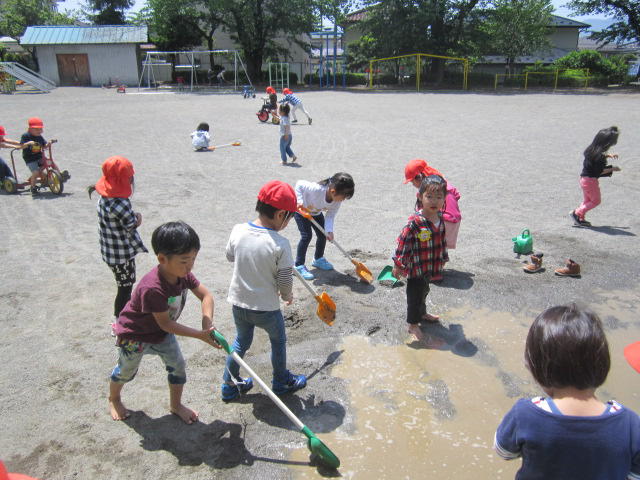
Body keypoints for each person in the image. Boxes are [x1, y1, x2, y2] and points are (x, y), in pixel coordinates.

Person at [494, 304, 640, 479]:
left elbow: (504, 451)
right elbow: (634, 475)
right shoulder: (630, 424)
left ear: (535, 367)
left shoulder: (525, 414)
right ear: (602, 364)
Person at [109, 221, 220, 423]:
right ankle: (114, 398)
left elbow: (206, 296)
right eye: (184, 261)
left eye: (193, 259)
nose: (190, 266)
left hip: (161, 334)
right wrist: (199, 336)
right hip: (135, 334)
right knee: (126, 371)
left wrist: (207, 323)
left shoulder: (183, 274)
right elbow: (166, 324)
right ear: (162, 258)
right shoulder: (153, 288)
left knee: (177, 365)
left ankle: (176, 405)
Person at [221, 180, 306, 401]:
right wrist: (287, 296)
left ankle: (229, 384)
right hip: (266, 308)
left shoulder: (238, 230)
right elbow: (285, 280)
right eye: (289, 218)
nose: (288, 222)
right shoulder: (280, 244)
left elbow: (230, 256)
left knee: (241, 341)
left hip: (239, 303)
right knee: (278, 341)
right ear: (280, 215)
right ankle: (280, 381)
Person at [89, 156, 148, 332]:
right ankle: (120, 321)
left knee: (124, 285)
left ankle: (123, 316)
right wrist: (138, 218)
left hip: (110, 251)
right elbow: (130, 224)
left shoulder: (104, 198)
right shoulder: (120, 203)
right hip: (121, 254)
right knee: (124, 288)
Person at [393, 175, 448, 341]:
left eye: (439, 197)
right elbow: (403, 244)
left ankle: (422, 313)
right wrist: (398, 265)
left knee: (424, 291)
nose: (434, 201)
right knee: (414, 296)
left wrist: (443, 258)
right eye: (429, 196)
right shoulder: (416, 223)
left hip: (429, 266)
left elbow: (442, 241)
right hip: (416, 268)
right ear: (420, 197)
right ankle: (413, 325)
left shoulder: (440, 219)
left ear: (444, 199)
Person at [404, 159, 461, 281]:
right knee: (438, 246)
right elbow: (456, 195)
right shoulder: (439, 182)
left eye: (412, 181)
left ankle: (431, 271)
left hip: (445, 220)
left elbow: (427, 209)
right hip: (453, 219)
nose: (413, 185)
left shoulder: (430, 189)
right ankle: (436, 270)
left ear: (419, 177)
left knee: (430, 245)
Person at [293, 172, 355, 280]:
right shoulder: (317, 189)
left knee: (323, 235)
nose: (343, 200)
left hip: (315, 213)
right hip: (301, 212)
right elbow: (299, 184)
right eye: (343, 197)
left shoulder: (336, 202)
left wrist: (329, 230)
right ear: (333, 191)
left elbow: (330, 216)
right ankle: (298, 265)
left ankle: (318, 259)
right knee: (306, 236)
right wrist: (299, 201)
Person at [571, 126, 621, 227]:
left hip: (584, 179)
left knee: (587, 201)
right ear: (607, 144)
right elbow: (600, 171)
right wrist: (613, 168)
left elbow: (597, 159)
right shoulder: (599, 157)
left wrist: (608, 156)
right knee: (596, 201)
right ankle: (576, 213)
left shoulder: (591, 149)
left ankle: (580, 219)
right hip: (591, 181)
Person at [20, 117, 56, 196]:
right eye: (37, 129)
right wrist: (29, 143)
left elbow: (44, 146)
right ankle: (33, 187)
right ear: (30, 128)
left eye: (40, 129)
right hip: (30, 159)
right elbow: (21, 146)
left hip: (39, 156)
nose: (40, 131)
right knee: (36, 172)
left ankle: (59, 175)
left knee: (51, 162)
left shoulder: (39, 137)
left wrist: (49, 143)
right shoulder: (25, 136)